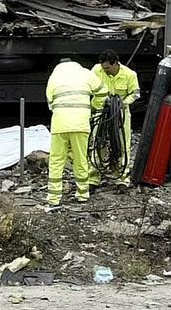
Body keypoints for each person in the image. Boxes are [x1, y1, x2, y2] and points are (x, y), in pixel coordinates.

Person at [45, 58, 107, 204]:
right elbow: (103, 92)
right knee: (80, 159)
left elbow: (50, 102)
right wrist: (93, 106)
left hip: (59, 124)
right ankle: (83, 194)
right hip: (81, 124)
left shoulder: (54, 77)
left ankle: (54, 197)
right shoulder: (86, 73)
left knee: (56, 160)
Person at [90, 50, 140, 188]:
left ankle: (122, 178)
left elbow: (135, 94)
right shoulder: (96, 70)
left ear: (115, 64)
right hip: (100, 112)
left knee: (122, 144)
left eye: (107, 68)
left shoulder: (130, 75)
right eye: (103, 68)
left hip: (121, 115)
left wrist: (121, 104)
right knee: (96, 143)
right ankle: (93, 177)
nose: (105, 71)